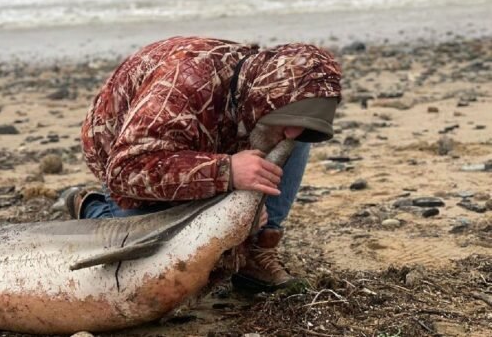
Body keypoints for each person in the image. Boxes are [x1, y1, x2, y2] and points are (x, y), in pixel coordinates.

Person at [67, 36, 342, 293]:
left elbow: (287, 128)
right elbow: (125, 169)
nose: (293, 135)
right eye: (288, 119)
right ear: (263, 95)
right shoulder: (181, 88)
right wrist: (227, 171)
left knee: (293, 131)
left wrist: (246, 210)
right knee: (151, 261)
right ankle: (92, 206)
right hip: (127, 154)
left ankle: (256, 249)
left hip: (213, 143)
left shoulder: (259, 94)